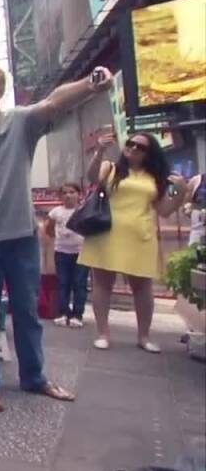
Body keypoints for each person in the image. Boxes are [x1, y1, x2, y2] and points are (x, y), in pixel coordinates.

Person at [0, 65, 114, 412]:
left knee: (26, 312)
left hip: (20, 237)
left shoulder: (19, 122)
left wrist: (91, 84)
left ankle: (34, 377)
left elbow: (53, 103)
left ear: (0, 92)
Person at [79, 132, 187, 352]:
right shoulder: (111, 168)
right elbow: (92, 177)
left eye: (141, 147)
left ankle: (144, 336)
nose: (134, 148)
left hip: (140, 235)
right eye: (131, 143)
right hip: (106, 232)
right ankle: (103, 333)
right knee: (102, 284)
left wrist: (180, 191)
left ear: (149, 153)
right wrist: (99, 151)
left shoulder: (155, 177)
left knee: (143, 287)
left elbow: (165, 209)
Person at [43, 183, 89, 328]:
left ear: (79, 194)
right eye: (65, 193)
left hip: (81, 252)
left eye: (72, 192)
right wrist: (58, 238)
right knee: (63, 282)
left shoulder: (84, 210)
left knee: (80, 283)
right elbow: (49, 228)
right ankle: (63, 312)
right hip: (62, 252)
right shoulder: (56, 212)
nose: (68, 195)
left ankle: (77, 314)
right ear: (60, 196)